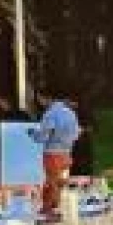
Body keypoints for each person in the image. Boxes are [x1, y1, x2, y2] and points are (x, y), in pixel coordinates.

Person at [33, 89, 81, 217]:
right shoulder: (70, 112)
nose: (39, 102)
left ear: (45, 98)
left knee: (52, 183)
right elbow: (76, 134)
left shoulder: (50, 113)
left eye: (39, 99)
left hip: (52, 153)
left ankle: (50, 212)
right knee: (61, 183)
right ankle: (62, 209)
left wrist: (33, 134)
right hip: (66, 153)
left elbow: (43, 136)